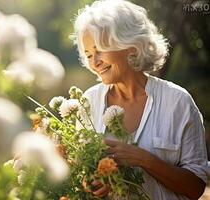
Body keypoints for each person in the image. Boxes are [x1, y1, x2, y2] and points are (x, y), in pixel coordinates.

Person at [71, 0, 209, 199]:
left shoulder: (178, 102)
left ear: (131, 47)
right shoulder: (88, 102)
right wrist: (92, 183)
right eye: (89, 54)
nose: (95, 62)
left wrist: (145, 160)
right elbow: (82, 175)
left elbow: (196, 188)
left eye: (100, 50)